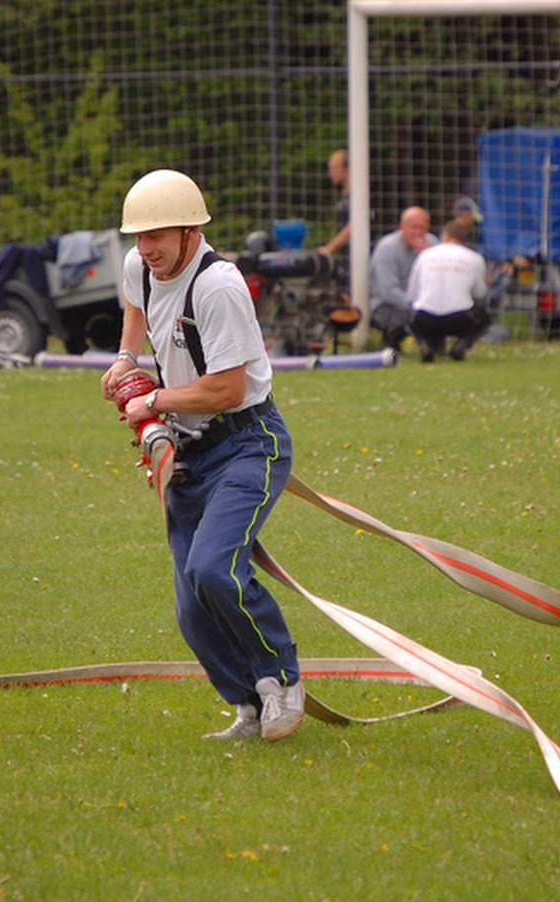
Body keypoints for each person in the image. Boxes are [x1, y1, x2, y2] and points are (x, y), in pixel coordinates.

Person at [100, 170, 304, 743]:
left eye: (157, 236)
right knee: (191, 605)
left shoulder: (218, 287)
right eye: (138, 238)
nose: (146, 250)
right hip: (189, 449)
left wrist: (150, 398)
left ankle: (283, 680)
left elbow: (228, 391)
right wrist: (125, 359)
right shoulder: (140, 266)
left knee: (215, 569)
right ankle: (246, 704)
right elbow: (135, 307)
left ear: (190, 231)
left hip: (247, 443)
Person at [406, 218, 492, 362]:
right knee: (485, 317)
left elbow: (412, 294)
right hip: (459, 319)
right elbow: (480, 293)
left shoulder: (424, 255)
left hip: (424, 319)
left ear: (445, 236)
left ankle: (424, 344)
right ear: (465, 240)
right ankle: (462, 344)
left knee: (410, 313)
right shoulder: (475, 258)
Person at [368, 206, 438, 352]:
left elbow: (439, 281)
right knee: (401, 317)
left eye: (422, 228)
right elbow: (387, 290)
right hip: (386, 304)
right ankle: (391, 346)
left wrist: (427, 258)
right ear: (402, 227)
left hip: (422, 303)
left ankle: (435, 346)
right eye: (413, 227)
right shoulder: (387, 247)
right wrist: (417, 307)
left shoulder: (433, 245)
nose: (418, 232)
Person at [317, 148, 351, 298]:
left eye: (333, 168)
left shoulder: (359, 194)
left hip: (355, 260)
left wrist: (330, 248)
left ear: (347, 168)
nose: (330, 172)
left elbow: (354, 227)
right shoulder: (345, 195)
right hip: (344, 259)